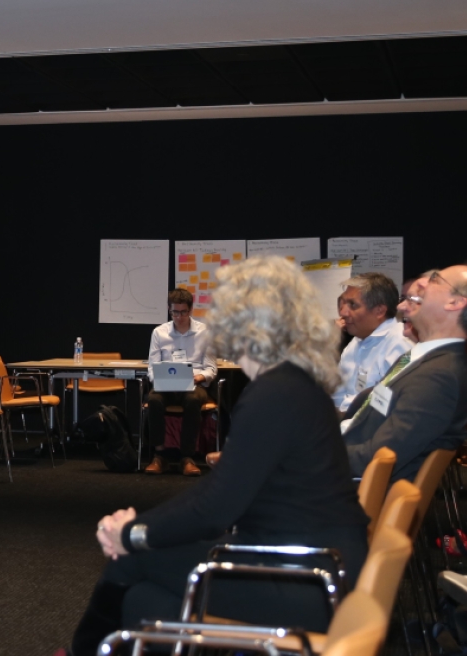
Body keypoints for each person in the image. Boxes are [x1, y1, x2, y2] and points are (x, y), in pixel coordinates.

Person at [69, 256, 368, 655]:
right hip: (313, 568)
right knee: (145, 602)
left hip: (303, 579)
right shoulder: (294, 384)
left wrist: (132, 532)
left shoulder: (275, 394)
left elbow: (216, 507)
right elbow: (219, 493)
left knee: (131, 560)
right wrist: (140, 526)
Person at [343, 264, 467, 483]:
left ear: (455, 303)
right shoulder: (422, 358)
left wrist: (310, 455)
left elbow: (378, 457)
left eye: (435, 279)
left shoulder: (439, 377)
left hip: (351, 493)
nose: (421, 282)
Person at [144, 288, 217, 476]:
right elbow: (152, 367)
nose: (179, 317)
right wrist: (159, 378)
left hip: (194, 384)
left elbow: (211, 368)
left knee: (193, 401)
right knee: (154, 400)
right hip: (166, 385)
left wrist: (199, 377)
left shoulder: (205, 333)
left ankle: (187, 457)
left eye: (183, 312)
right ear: (170, 310)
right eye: (175, 312)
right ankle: (159, 456)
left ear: (191, 310)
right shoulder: (159, 333)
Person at [331, 273, 410, 412]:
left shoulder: (400, 344)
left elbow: (387, 404)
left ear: (379, 311)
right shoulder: (355, 341)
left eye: (353, 305)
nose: (343, 312)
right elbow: (337, 395)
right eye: (342, 303)